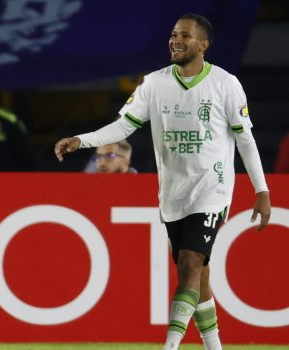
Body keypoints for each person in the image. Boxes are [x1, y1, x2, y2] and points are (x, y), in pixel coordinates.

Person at [54, 13, 271, 350]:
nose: (175, 41)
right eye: (173, 35)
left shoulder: (226, 84)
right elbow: (123, 127)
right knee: (199, 275)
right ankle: (215, 347)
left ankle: (170, 345)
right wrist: (82, 140)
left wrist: (262, 190)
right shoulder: (154, 83)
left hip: (212, 190)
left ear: (203, 44)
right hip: (173, 194)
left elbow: (244, 140)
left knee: (189, 264)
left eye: (185, 36)